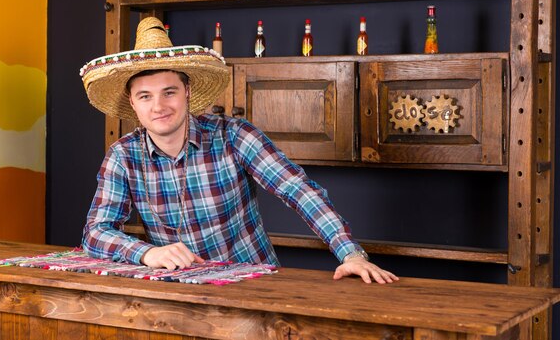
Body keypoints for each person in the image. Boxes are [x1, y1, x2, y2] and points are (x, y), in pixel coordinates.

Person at [80, 17, 397, 284]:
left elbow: (299, 191)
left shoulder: (233, 135)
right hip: (179, 291)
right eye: (145, 96)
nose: (159, 106)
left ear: (188, 92)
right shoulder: (123, 156)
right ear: (133, 104)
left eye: (169, 92)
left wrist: (350, 253)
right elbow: (95, 232)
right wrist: (148, 253)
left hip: (252, 285)